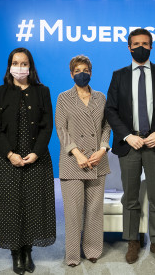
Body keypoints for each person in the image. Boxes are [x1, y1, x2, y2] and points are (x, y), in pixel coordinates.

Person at [105, 28, 155, 264]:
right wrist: (128, 136)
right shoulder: (119, 75)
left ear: (151, 46)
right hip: (130, 145)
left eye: (145, 43)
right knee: (130, 197)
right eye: (136, 43)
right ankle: (133, 242)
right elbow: (111, 110)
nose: (141, 47)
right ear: (129, 47)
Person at [0, 47, 56, 275]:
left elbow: (47, 126)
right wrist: (9, 154)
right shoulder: (0, 92)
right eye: (15, 63)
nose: (20, 67)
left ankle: (28, 250)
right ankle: (15, 253)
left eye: (24, 63)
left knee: (32, 206)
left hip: (36, 158)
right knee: (10, 207)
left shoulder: (42, 91)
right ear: (9, 66)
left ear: (30, 66)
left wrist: (36, 152)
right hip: (8, 159)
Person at [55, 55, 111, 266]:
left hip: (97, 160)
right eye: (77, 70)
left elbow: (106, 126)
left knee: (95, 209)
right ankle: (72, 255)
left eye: (85, 70)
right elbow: (61, 129)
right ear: (71, 74)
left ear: (91, 72)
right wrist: (77, 153)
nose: (82, 73)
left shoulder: (100, 97)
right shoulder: (63, 98)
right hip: (72, 161)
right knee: (73, 211)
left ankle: (93, 249)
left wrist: (103, 149)